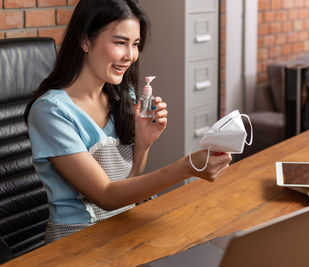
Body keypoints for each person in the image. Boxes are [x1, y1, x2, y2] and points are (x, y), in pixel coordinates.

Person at [24, 0, 231, 243]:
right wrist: (186, 167)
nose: (130, 56)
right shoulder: (51, 112)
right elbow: (106, 196)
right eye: (120, 43)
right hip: (76, 241)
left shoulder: (122, 96)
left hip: (122, 227)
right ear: (85, 40)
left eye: (135, 45)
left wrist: (143, 143)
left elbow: (127, 185)